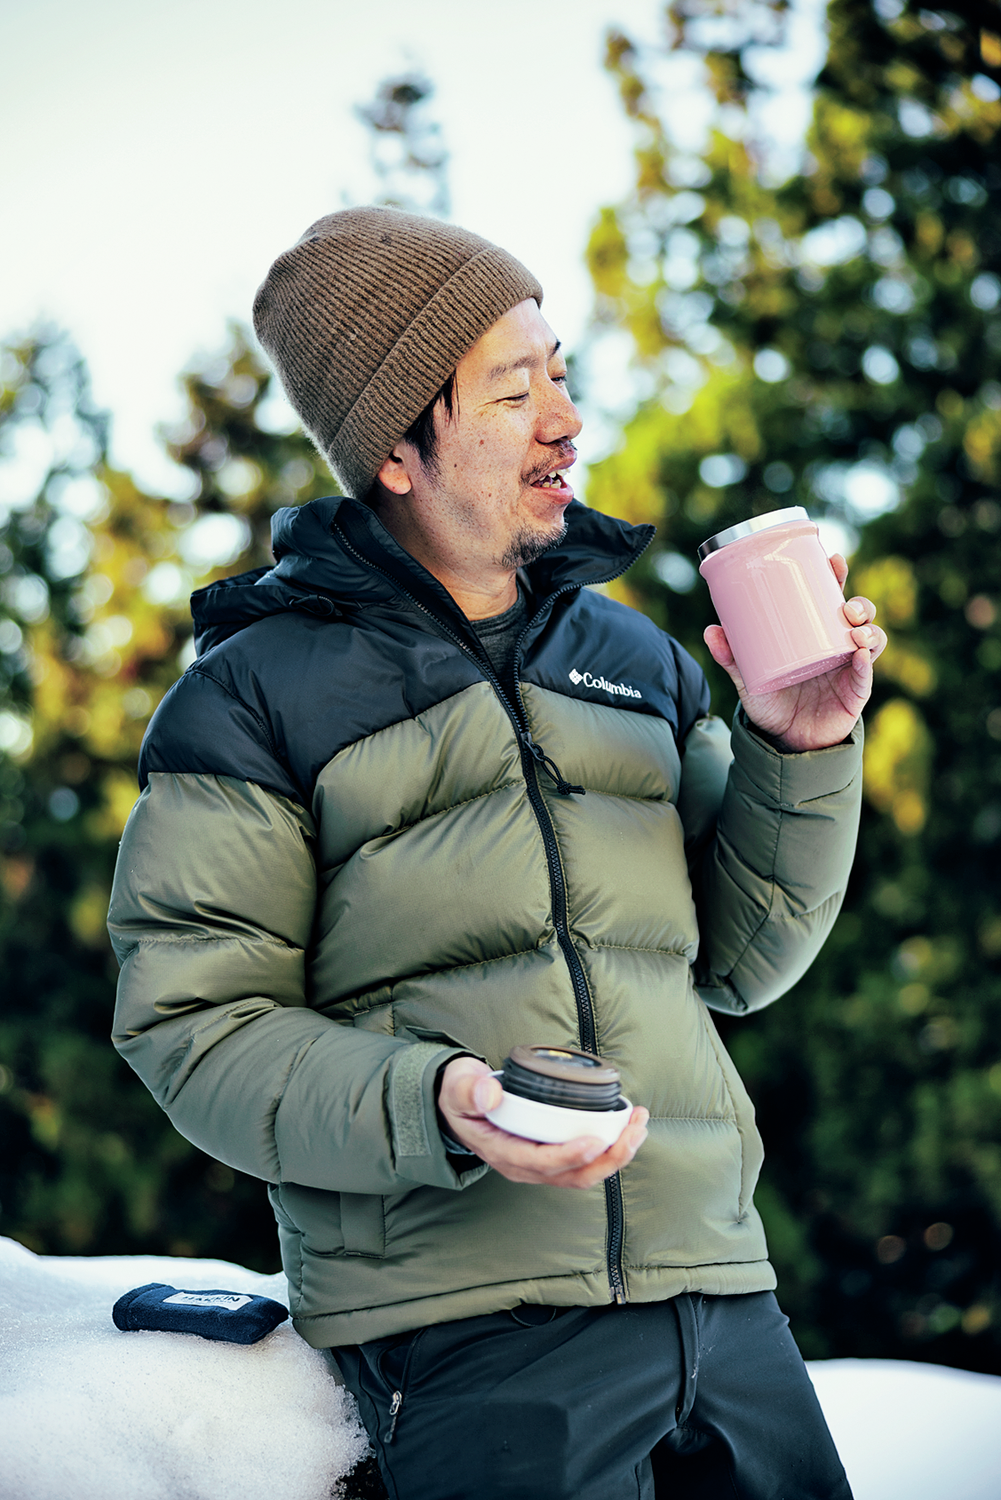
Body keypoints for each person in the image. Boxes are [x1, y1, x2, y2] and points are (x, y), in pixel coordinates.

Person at [108, 208, 885, 1499]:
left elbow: (742, 959)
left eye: (562, 372)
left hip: (723, 1296)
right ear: (398, 451)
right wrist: (440, 1102)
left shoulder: (632, 659)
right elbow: (195, 1028)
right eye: (515, 391)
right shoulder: (253, 700)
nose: (566, 420)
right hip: (469, 1334)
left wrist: (798, 751)